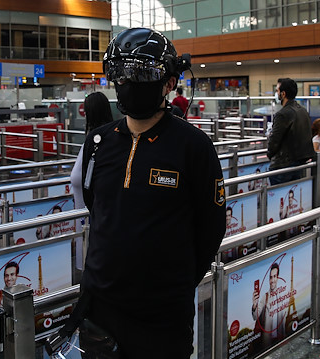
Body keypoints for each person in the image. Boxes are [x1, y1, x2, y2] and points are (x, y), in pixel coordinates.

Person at [78, 27, 225, 358]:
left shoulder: (194, 146)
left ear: (169, 83)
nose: (129, 83)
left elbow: (212, 227)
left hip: (162, 316)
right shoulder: (99, 143)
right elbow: (98, 209)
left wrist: (174, 285)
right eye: (119, 73)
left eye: (141, 74)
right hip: (100, 306)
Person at [70, 92, 114, 209]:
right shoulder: (108, 141)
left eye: (86, 112)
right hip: (89, 216)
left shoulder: (96, 145)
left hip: (90, 218)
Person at [267, 78, 314, 185]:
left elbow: (274, 140)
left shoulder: (282, 114)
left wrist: (269, 153)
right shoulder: (303, 111)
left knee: (278, 198)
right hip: (300, 162)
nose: (276, 93)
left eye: (277, 91)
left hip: (283, 165)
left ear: (283, 94)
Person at [252, 263, 286, 348]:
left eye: (274, 276)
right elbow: (255, 317)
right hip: (267, 342)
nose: (272, 280)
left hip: (280, 339)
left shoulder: (281, 294)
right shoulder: (265, 297)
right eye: (270, 277)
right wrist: (254, 304)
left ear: (278, 277)